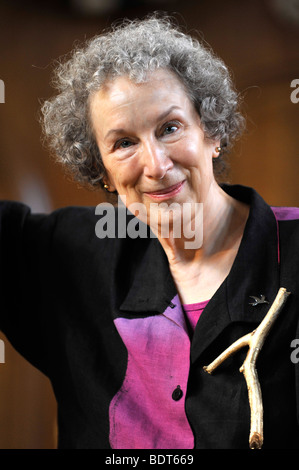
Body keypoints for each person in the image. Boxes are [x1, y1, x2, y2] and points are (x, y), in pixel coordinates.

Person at [0, 14, 299, 450]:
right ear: (101, 171)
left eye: (170, 128)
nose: (156, 166)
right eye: (123, 143)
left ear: (211, 132)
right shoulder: (69, 256)